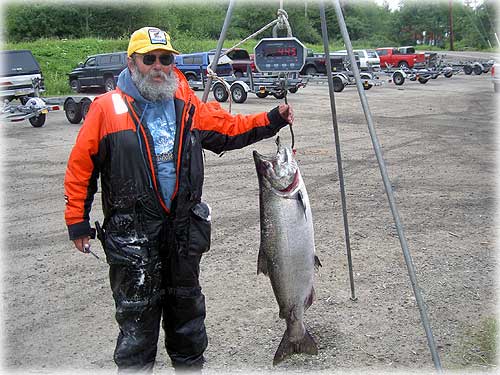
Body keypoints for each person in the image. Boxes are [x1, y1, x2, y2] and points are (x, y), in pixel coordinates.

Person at [64, 26, 294, 373]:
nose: (158, 66)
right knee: (136, 318)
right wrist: (77, 222)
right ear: (132, 62)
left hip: (183, 229)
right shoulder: (105, 109)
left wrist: (271, 119)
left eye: (166, 59)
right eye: (150, 59)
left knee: (187, 314)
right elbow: (81, 166)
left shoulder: (185, 102)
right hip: (132, 234)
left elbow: (226, 128)